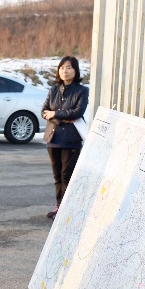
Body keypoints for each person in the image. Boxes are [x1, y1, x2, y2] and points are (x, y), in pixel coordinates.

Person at [41, 56, 88, 219]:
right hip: (53, 140)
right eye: (62, 68)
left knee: (67, 176)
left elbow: (77, 112)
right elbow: (44, 112)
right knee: (57, 177)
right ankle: (59, 206)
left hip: (71, 141)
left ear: (75, 70)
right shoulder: (53, 89)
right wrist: (61, 116)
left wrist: (55, 114)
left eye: (69, 67)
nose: (65, 71)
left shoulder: (82, 90)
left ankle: (68, 209)